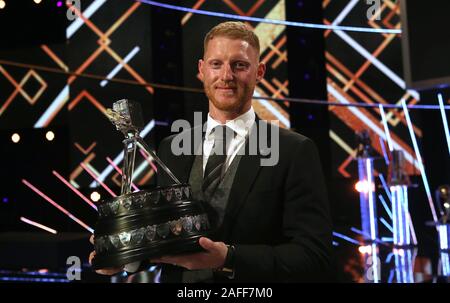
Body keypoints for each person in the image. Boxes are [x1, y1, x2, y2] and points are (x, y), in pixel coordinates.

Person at [89, 21, 333, 282]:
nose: (226, 75)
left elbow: (313, 255)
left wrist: (229, 258)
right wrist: (126, 255)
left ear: (259, 71)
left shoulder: (293, 150)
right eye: (216, 64)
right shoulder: (172, 148)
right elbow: (170, 239)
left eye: (239, 65)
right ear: (202, 70)